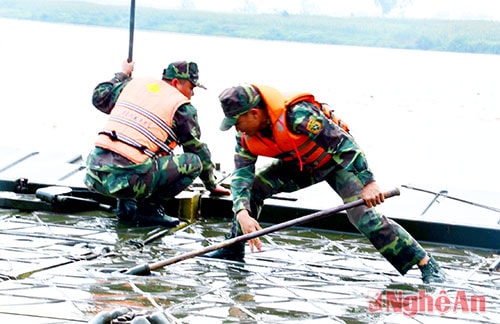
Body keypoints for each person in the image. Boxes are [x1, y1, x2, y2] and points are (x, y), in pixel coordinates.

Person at [205, 83, 446, 284]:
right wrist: (242, 212)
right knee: (254, 189)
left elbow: (345, 145)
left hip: (333, 162)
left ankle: (425, 263)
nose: (235, 127)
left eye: (237, 121)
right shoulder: (245, 134)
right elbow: (242, 175)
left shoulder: (298, 115)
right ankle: (234, 248)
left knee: (361, 214)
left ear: (254, 114)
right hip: (299, 167)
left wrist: (368, 182)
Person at [84, 60, 230, 227]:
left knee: (144, 150)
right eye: (191, 87)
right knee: (193, 163)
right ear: (176, 82)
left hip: (93, 175)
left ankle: (126, 207)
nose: (192, 94)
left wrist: (122, 75)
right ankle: (149, 211)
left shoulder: (133, 86)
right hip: (126, 184)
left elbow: (99, 97)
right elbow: (197, 151)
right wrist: (211, 185)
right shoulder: (182, 108)